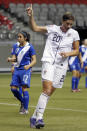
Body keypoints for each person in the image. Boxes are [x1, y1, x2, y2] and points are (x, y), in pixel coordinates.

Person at [26, 4, 80, 129]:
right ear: (63, 21)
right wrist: (31, 16)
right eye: (67, 23)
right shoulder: (52, 28)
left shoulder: (74, 33)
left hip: (62, 65)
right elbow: (34, 28)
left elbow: (76, 51)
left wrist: (68, 53)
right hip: (49, 61)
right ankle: (39, 118)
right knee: (46, 89)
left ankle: (34, 117)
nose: (69, 26)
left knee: (49, 92)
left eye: (71, 24)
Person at [7, 31, 36, 114]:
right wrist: (10, 60)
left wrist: (29, 66)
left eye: (20, 37)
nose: (18, 38)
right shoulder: (16, 47)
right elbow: (16, 59)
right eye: (18, 37)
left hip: (25, 70)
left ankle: (25, 109)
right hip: (17, 70)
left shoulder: (30, 47)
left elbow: (34, 60)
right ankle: (23, 102)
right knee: (13, 89)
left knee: (24, 88)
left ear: (25, 38)